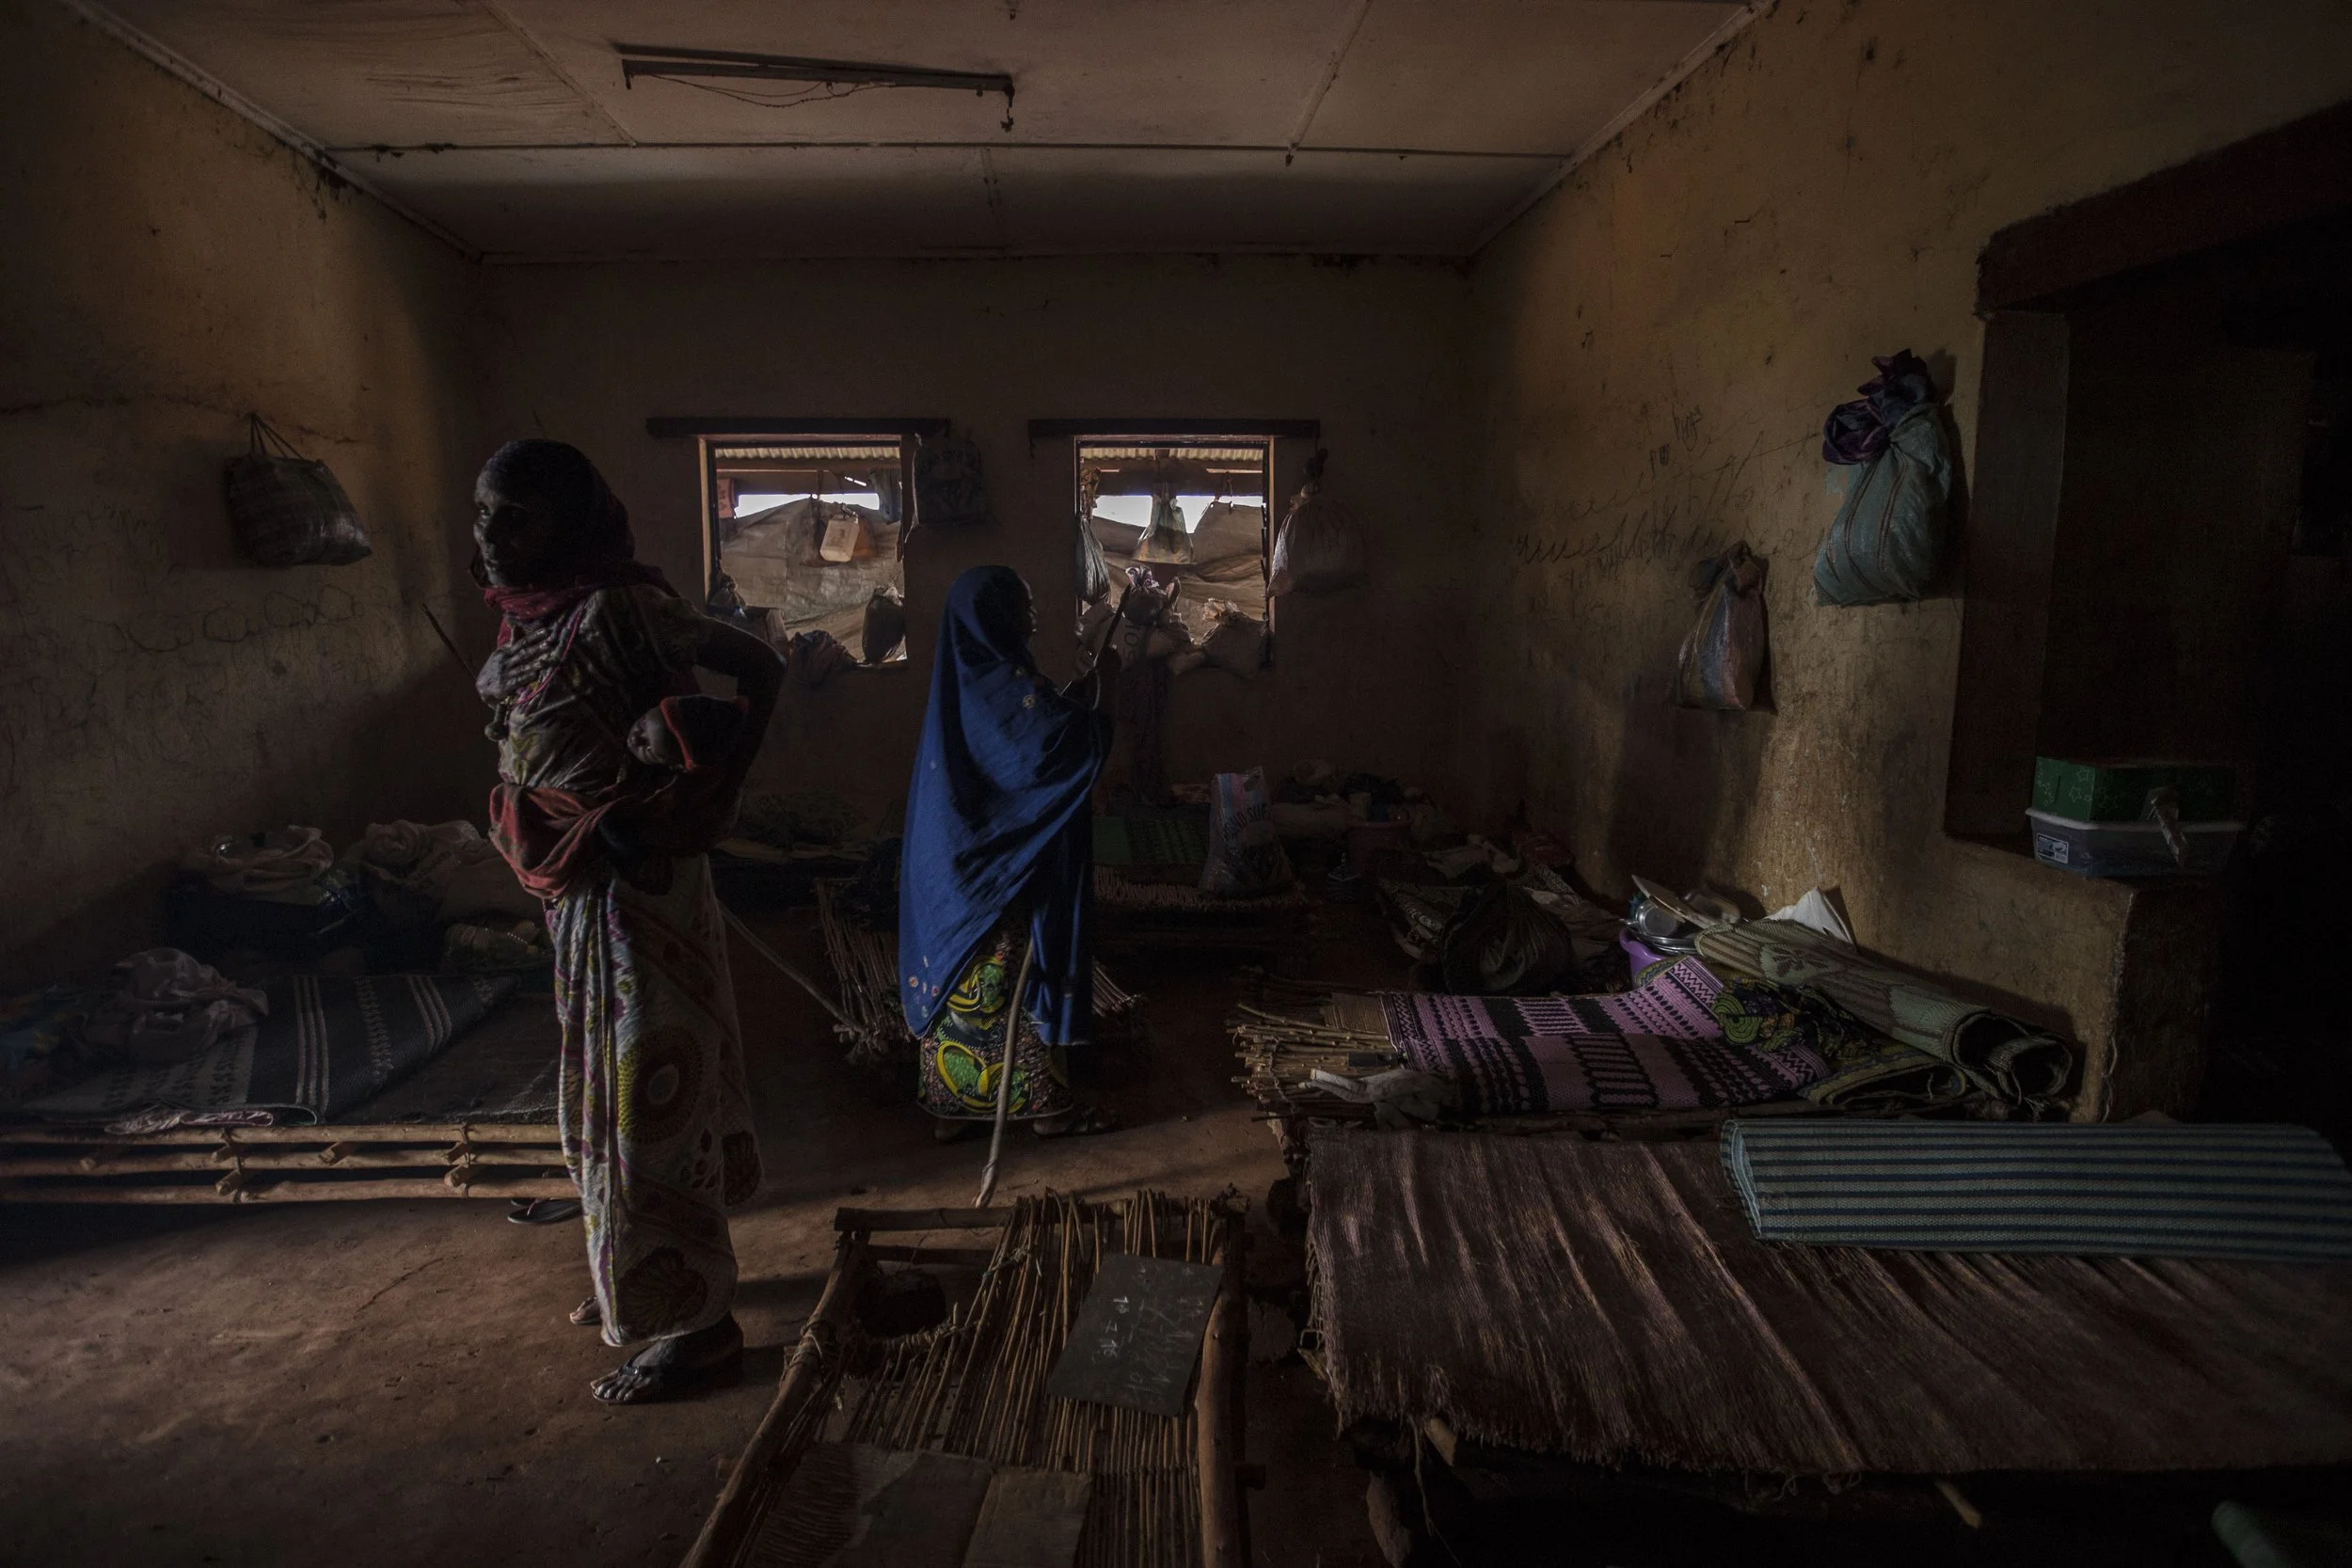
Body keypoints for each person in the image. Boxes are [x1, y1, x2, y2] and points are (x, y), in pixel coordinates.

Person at [471, 439, 783, 1404]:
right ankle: (658, 1274)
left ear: (570, 521)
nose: (489, 532)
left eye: (515, 515)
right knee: (605, 1096)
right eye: (484, 511)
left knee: (652, 1097)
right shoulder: (529, 623)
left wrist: (712, 789)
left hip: (637, 895)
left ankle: (700, 1331)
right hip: (580, 900)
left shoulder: (618, 608)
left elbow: (758, 665)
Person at [898, 566, 1120, 1140]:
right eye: (1023, 604)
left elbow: (1035, 732)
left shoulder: (979, 678)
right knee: (1007, 970)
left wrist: (1077, 698)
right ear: (994, 615)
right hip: (996, 870)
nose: (1035, 614)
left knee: (963, 974)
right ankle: (1043, 1104)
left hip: (957, 861)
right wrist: (1102, 700)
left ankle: (952, 1106)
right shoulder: (998, 684)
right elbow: (1046, 749)